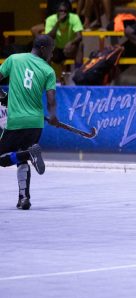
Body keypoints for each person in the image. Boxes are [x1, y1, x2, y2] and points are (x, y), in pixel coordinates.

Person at [0, 35, 59, 210]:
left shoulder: (14, 59)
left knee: (4, 159)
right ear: (43, 48)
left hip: (16, 121)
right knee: (22, 156)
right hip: (35, 123)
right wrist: (53, 116)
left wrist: (3, 97)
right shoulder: (48, 71)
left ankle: (27, 154)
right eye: (51, 49)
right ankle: (24, 198)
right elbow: (51, 98)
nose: (52, 53)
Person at [45, 0, 84, 67]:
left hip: (70, 48)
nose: (63, 13)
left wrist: (71, 43)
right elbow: (49, 37)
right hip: (57, 50)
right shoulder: (50, 19)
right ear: (57, 11)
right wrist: (57, 23)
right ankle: (47, 75)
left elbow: (79, 37)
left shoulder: (74, 18)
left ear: (68, 12)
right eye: (61, 11)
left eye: (65, 11)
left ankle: (78, 72)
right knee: (47, 46)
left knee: (80, 45)